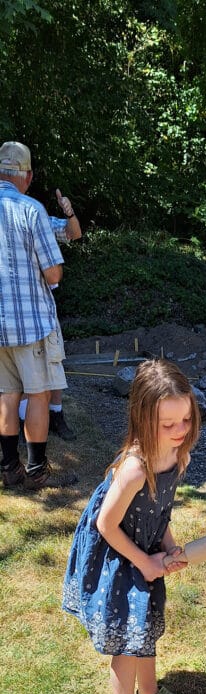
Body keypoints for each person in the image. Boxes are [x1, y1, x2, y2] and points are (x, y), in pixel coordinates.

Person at [62, 359, 200, 694]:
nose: (178, 432)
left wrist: (169, 546)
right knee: (127, 635)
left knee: (147, 622)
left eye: (185, 421)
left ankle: (150, 691)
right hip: (119, 553)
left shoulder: (179, 457)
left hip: (146, 548)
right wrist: (144, 560)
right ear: (142, 418)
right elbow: (106, 526)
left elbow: (162, 510)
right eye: (167, 424)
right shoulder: (135, 468)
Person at [0, 140, 73, 490]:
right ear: (27, 175)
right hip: (30, 325)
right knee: (39, 394)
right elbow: (54, 274)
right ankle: (36, 471)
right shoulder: (31, 210)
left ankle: (9, 468)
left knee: (6, 395)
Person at [18, 188, 82, 441]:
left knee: (54, 361)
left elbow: (73, 233)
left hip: (42, 304)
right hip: (12, 307)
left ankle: (56, 415)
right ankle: (20, 423)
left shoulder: (36, 215)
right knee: (17, 373)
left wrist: (70, 212)